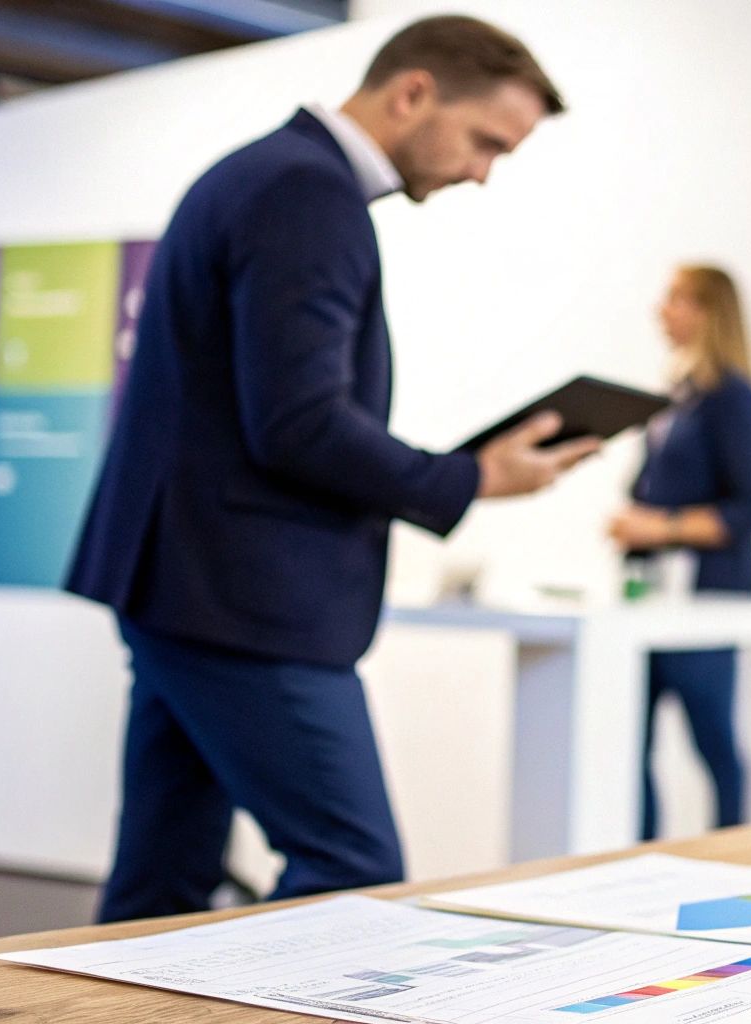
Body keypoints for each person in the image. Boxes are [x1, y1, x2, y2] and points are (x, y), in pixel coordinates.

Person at [65, 16, 599, 923]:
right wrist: (470, 479)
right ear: (413, 92)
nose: (482, 173)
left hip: (186, 586)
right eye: (485, 143)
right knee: (353, 870)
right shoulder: (305, 196)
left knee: (160, 887)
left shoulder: (269, 176)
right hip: (242, 600)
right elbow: (300, 425)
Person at [607, 265, 751, 841]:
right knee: (631, 741)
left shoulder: (732, 398)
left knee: (712, 737)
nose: (662, 311)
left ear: (708, 312)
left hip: (705, 595)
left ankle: (734, 849)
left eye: (675, 299)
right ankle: (638, 857)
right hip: (649, 593)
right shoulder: (676, 398)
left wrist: (664, 527)